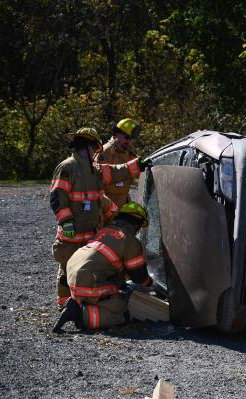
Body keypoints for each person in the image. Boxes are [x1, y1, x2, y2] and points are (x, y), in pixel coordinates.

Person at [50, 127, 150, 309]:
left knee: (85, 267)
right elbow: (57, 196)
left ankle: (83, 302)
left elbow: (117, 171)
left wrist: (138, 165)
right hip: (72, 234)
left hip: (90, 233)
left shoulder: (94, 171)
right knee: (66, 267)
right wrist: (66, 222)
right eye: (93, 148)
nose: (94, 152)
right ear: (86, 146)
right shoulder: (67, 167)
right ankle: (64, 304)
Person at [52, 202, 152, 332]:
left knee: (114, 291)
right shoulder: (130, 240)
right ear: (136, 224)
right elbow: (138, 276)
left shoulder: (104, 230)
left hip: (72, 269)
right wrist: (150, 283)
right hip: (87, 278)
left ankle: (77, 302)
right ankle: (79, 314)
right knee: (121, 311)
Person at [95, 118, 141, 208]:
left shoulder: (128, 153)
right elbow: (95, 183)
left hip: (122, 208)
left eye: (131, 139)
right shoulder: (104, 153)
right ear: (116, 134)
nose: (129, 142)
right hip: (107, 209)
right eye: (127, 137)